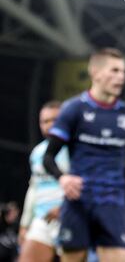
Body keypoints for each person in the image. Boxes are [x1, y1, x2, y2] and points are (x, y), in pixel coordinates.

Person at [43, 48, 125, 262]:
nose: (121, 77)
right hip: (78, 203)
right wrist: (62, 178)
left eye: (123, 71)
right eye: (115, 70)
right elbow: (48, 157)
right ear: (95, 72)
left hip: (113, 204)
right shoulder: (73, 110)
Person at [18, 101, 70, 262]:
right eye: (44, 121)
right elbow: (34, 188)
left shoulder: (74, 150)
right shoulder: (37, 153)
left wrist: (64, 208)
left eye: (54, 120)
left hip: (69, 219)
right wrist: (25, 223)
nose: (49, 125)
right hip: (42, 220)